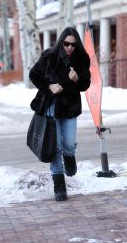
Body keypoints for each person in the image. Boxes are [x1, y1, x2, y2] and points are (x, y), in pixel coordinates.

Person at [29, 27, 91, 201]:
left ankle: (69, 157)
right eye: (66, 43)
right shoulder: (49, 56)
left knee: (69, 143)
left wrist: (77, 79)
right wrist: (49, 86)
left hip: (70, 107)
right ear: (61, 42)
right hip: (51, 106)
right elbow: (34, 75)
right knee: (55, 146)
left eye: (73, 44)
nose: (69, 47)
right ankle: (59, 184)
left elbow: (86, 84)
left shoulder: (81, 59)